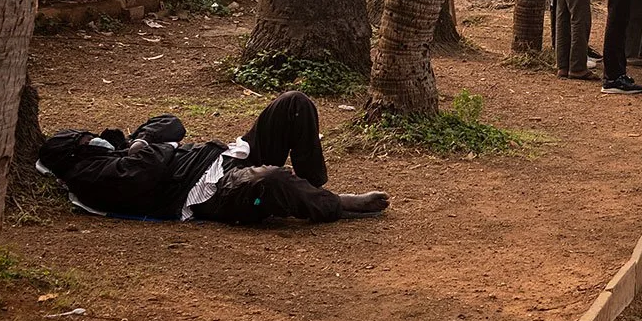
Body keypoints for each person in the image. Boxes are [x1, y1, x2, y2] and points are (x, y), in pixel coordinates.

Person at [36, 92, 387, 224]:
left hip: (228, 156)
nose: (93, 138)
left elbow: (172, 123)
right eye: (85, 138)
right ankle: (335, 205)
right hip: (208, 192)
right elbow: (144, 175)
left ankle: (312, 188)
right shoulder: (90, 174)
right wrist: (148, 151)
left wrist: (139, 140)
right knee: (270, 181)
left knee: (293, 105)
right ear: (75, 152)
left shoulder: (117, 148)